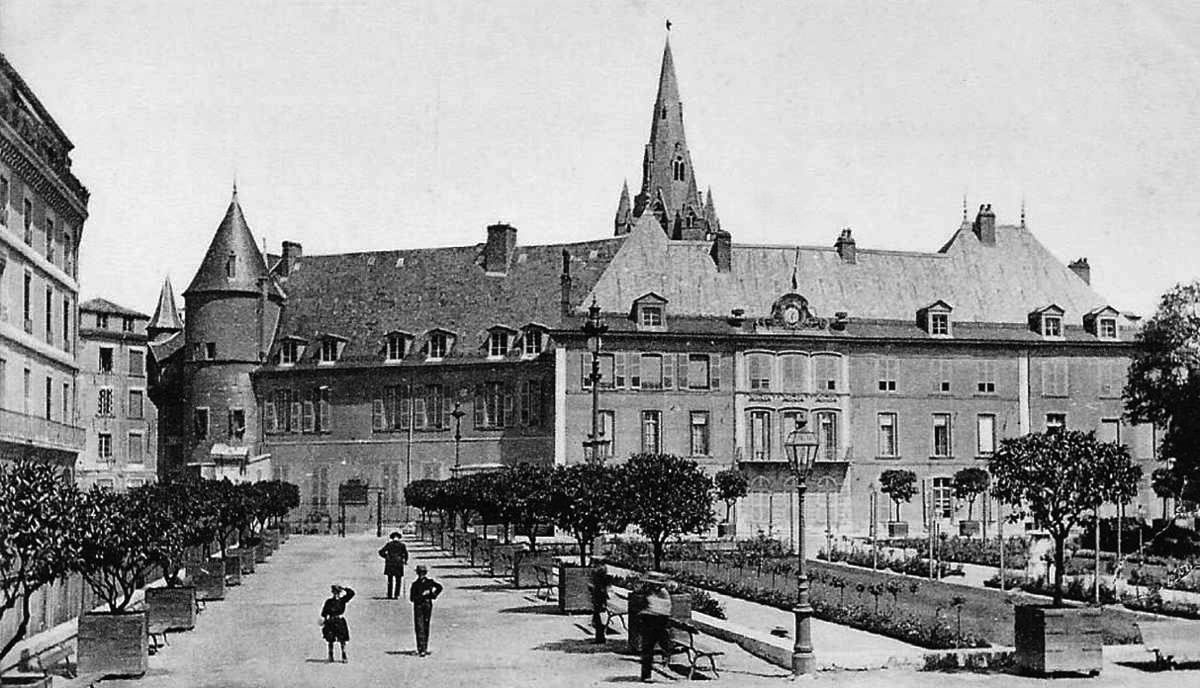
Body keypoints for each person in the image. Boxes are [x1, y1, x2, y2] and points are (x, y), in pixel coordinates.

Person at [638, 572, 673, 683]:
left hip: (656, 623)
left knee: (648, 648)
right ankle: (646, 674)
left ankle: (648, 672)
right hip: (654, 623)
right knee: (647, 649)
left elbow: (660, 609)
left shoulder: (660, 593)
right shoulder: (655, 593)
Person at [409, 564, 443, 657]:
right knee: (419, 626)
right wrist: (422, 595)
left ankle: (425, 647)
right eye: (420, 573)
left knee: (426, 625)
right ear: (417, 574)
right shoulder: (415, 585)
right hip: (418, 606)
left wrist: (433, 594)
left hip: (427, 605)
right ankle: (421, 648)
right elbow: (412, 598)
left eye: (423, 573)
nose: (421, 575)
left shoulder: (430, 582)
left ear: (425, 573)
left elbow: (440, 587)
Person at [320, 584, 355, 663]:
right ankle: (330, 655)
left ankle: (344, 655)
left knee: (342, 639)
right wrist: (325, 621)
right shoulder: (329, 601)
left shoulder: (342, 601)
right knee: (330, 639)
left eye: (337, 592)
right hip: (331, 621)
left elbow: (352, 593)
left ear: (339, 593)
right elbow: (324, 613)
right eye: (334, 592)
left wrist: (344, 588)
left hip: (339, 621)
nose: (336, 594)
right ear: (332, 593)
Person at [378, 531, 409, 599]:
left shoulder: (389, 544)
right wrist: (405, 560)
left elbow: (381, 552)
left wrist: (386, 557)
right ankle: (396, 595)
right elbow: (406, 554)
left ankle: (389, 594)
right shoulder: (402, 545)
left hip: (390, 563)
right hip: (398, 564)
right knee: (398, 580)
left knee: (390, 580)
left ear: (392, 538)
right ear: (398, 538)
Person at [589, 565, 610, 644]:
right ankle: (600, 637)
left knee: (598, 620)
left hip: (599, 605)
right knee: (598, 620)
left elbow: (603, 595)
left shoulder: (600, 586)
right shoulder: (601, 585)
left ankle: (600, 638)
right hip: (599, 604)